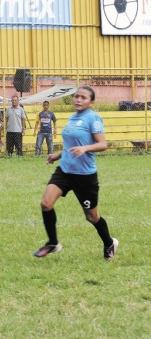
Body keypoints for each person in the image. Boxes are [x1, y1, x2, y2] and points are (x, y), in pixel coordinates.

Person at [33, 86, 118, 260]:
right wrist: (57, 155)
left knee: (91, 216)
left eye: (83, 97)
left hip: (84, 176)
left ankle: (109, 242)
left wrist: (85, 148)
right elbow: (70, 146)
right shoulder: (72, 118)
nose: (78, 100)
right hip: (65, 170)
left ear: (91, 102)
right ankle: (53, 243)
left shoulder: (93, 118)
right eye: (76, 96)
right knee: (45, 203)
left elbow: (102, 144)